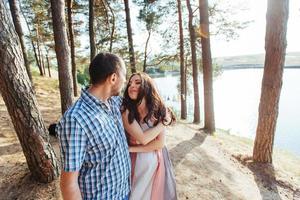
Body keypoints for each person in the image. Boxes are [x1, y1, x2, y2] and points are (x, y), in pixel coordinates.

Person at [56, 53, 131, 200]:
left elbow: (140, 102)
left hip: (124, 192)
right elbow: (68, 184)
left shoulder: (114, 103)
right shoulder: (76, 119)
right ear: (113, 78)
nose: (125, 81)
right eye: (124, 76)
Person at [121, 72, 177, 200]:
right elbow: (143, 139)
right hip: (134, 162)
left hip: (156, 163)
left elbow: (159, 144)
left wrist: (132, 149)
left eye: (137, 83)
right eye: (130, 83)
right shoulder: (126, 110)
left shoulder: (158, 110)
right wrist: (164, 123)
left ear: (147, 87)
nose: (131, 86)